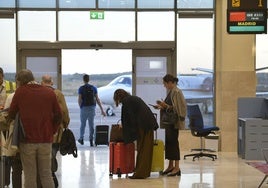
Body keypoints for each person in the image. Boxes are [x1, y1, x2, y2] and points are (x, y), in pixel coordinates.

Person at [7, 69, 63, 188]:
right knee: (46, 174)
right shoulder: (49, 92)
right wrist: (52, 130)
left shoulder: (20, 92)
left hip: (27, 140)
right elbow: (59, 115)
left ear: (20, 81)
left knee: (29, 175)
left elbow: (11, 113)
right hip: (46, 140)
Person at [113, 89, 158, 179]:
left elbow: (128, 118)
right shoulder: (132, 98)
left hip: (144, 126)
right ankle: (144, 172)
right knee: (146, 149)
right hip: (148, 124)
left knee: (143, 149)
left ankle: (140, 173)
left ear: (118, 97)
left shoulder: (126, 102)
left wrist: (124, 127)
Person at [40, 74, 70, 188]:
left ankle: (47, 177)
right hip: (56, 131)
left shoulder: (38, 93)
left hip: (40, 130)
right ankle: (51, 177)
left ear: (42, 83)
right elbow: (64, 112)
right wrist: (66, 124)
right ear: (52, 82)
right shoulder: (58, 94)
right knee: (52, 153)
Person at [154, 74, 186, 177]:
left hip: (174, 123)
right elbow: (170, 107)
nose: (164, 86)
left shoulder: (177, 92)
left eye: (165, 83)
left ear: (170, 82)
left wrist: (165, 106)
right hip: (169, 122)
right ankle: (170, 165)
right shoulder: (171, 92)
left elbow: (178, 110)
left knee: (173, 143)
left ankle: (176, 168)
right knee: (169, 144)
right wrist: (161, 106)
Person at [77, 74, 106, 147]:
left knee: (83, 124)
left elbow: (79, 99)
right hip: (92, 108)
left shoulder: (81, 88)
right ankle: (91, 140)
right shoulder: (94, 88)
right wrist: (102, 109)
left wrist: (81, 107)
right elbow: (97, 99)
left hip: (84, 108)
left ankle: (81, 138)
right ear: (89, 79)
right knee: (91, 125)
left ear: (83, 80)